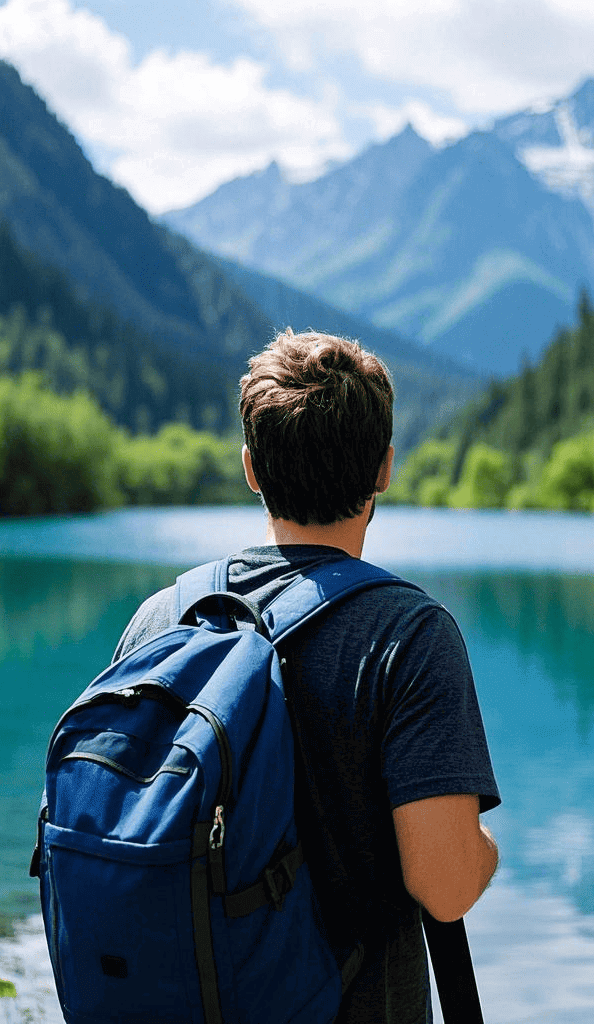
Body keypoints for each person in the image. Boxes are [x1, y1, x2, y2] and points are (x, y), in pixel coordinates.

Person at [112, 329, 501, 1024]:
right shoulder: (410, 636)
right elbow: (445, 886)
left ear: (250, 469)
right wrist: (482, 854)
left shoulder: (160, 620)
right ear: (384, 469)